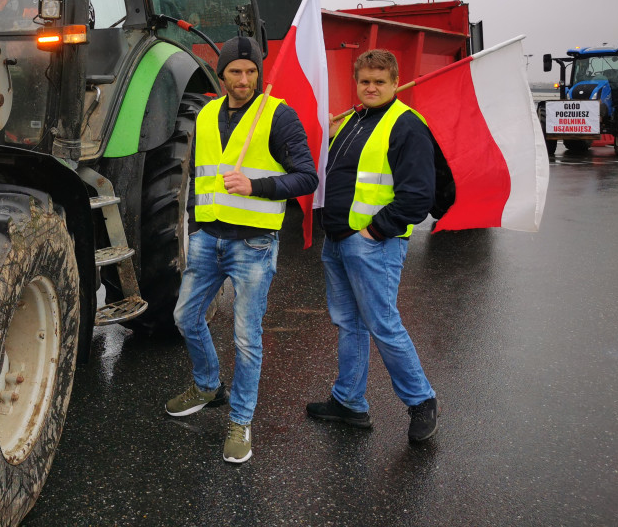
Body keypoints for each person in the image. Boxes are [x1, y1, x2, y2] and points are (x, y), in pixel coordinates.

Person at [165, 36, 319, 464]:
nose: (244, 80)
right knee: (185, 317)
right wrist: (196, 227)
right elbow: (198, 177)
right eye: (236, 71)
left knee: (247, 338)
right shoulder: (207, 113)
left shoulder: (279, 116)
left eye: (251, 72)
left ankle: (241, 419)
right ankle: (207, 384)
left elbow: (307, 178)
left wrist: (258, 186)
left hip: (253, 242)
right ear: (222, 74)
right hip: (208, 240)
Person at [306, 48, 440, 443]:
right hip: (339, 240)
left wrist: (375, 231)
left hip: (372, 244)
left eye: (380, 81)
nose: (371, 87)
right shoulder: (353, 120)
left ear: (395, 83)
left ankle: (422, 400)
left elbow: (418, 196)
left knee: (382, 323)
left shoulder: (407, 126)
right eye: (365, 81)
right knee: (350, 323)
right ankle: (348, 401)